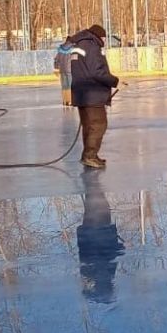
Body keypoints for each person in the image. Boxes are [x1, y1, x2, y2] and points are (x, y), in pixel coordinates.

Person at [68, 24, 120, 169]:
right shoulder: (91, 46)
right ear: (99, 36)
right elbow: (96, 72)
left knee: (89, 126)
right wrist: (114, 80)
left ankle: (90, 155)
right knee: (98, 125)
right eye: (103, 37)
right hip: (92, 93)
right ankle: (89, 156)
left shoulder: (77, 45)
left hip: (81, 93)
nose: (104, 40)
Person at [76, 171, 125, 303]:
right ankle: (90, 180)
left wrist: (120, 248)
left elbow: (107, 256)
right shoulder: (90, 274)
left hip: (100, 233)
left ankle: (91, 178)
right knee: (94, 205)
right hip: (92, 234)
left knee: (98, 205)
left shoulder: (104, 274)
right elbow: (86, 256)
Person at [52, 38, 81, 107]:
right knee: (70, 86)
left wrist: (56, 68)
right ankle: (70, 100)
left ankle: (65, 101)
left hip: (62, 70)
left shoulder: (60, 49)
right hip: (70, 70)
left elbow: (56, 60)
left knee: (64, 86)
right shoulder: (73, 49)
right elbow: (75, 59)